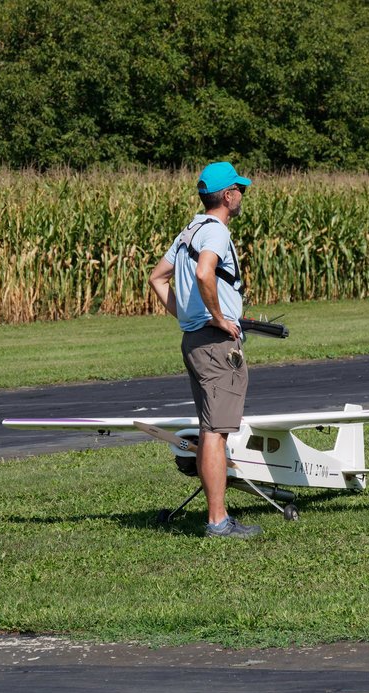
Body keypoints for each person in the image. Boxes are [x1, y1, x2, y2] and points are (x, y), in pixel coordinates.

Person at [149, 162, 262, 539]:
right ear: (227, 196)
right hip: (215, 345)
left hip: (195, 341)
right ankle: (217, 521)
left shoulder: (189, 230)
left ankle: (218, 516)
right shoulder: (215, 231)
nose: (242, 195)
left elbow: (157, 278)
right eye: (239, 189)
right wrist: (217, 318)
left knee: (209, 427)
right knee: (216, 432)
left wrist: (188, 317)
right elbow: (204, 272)